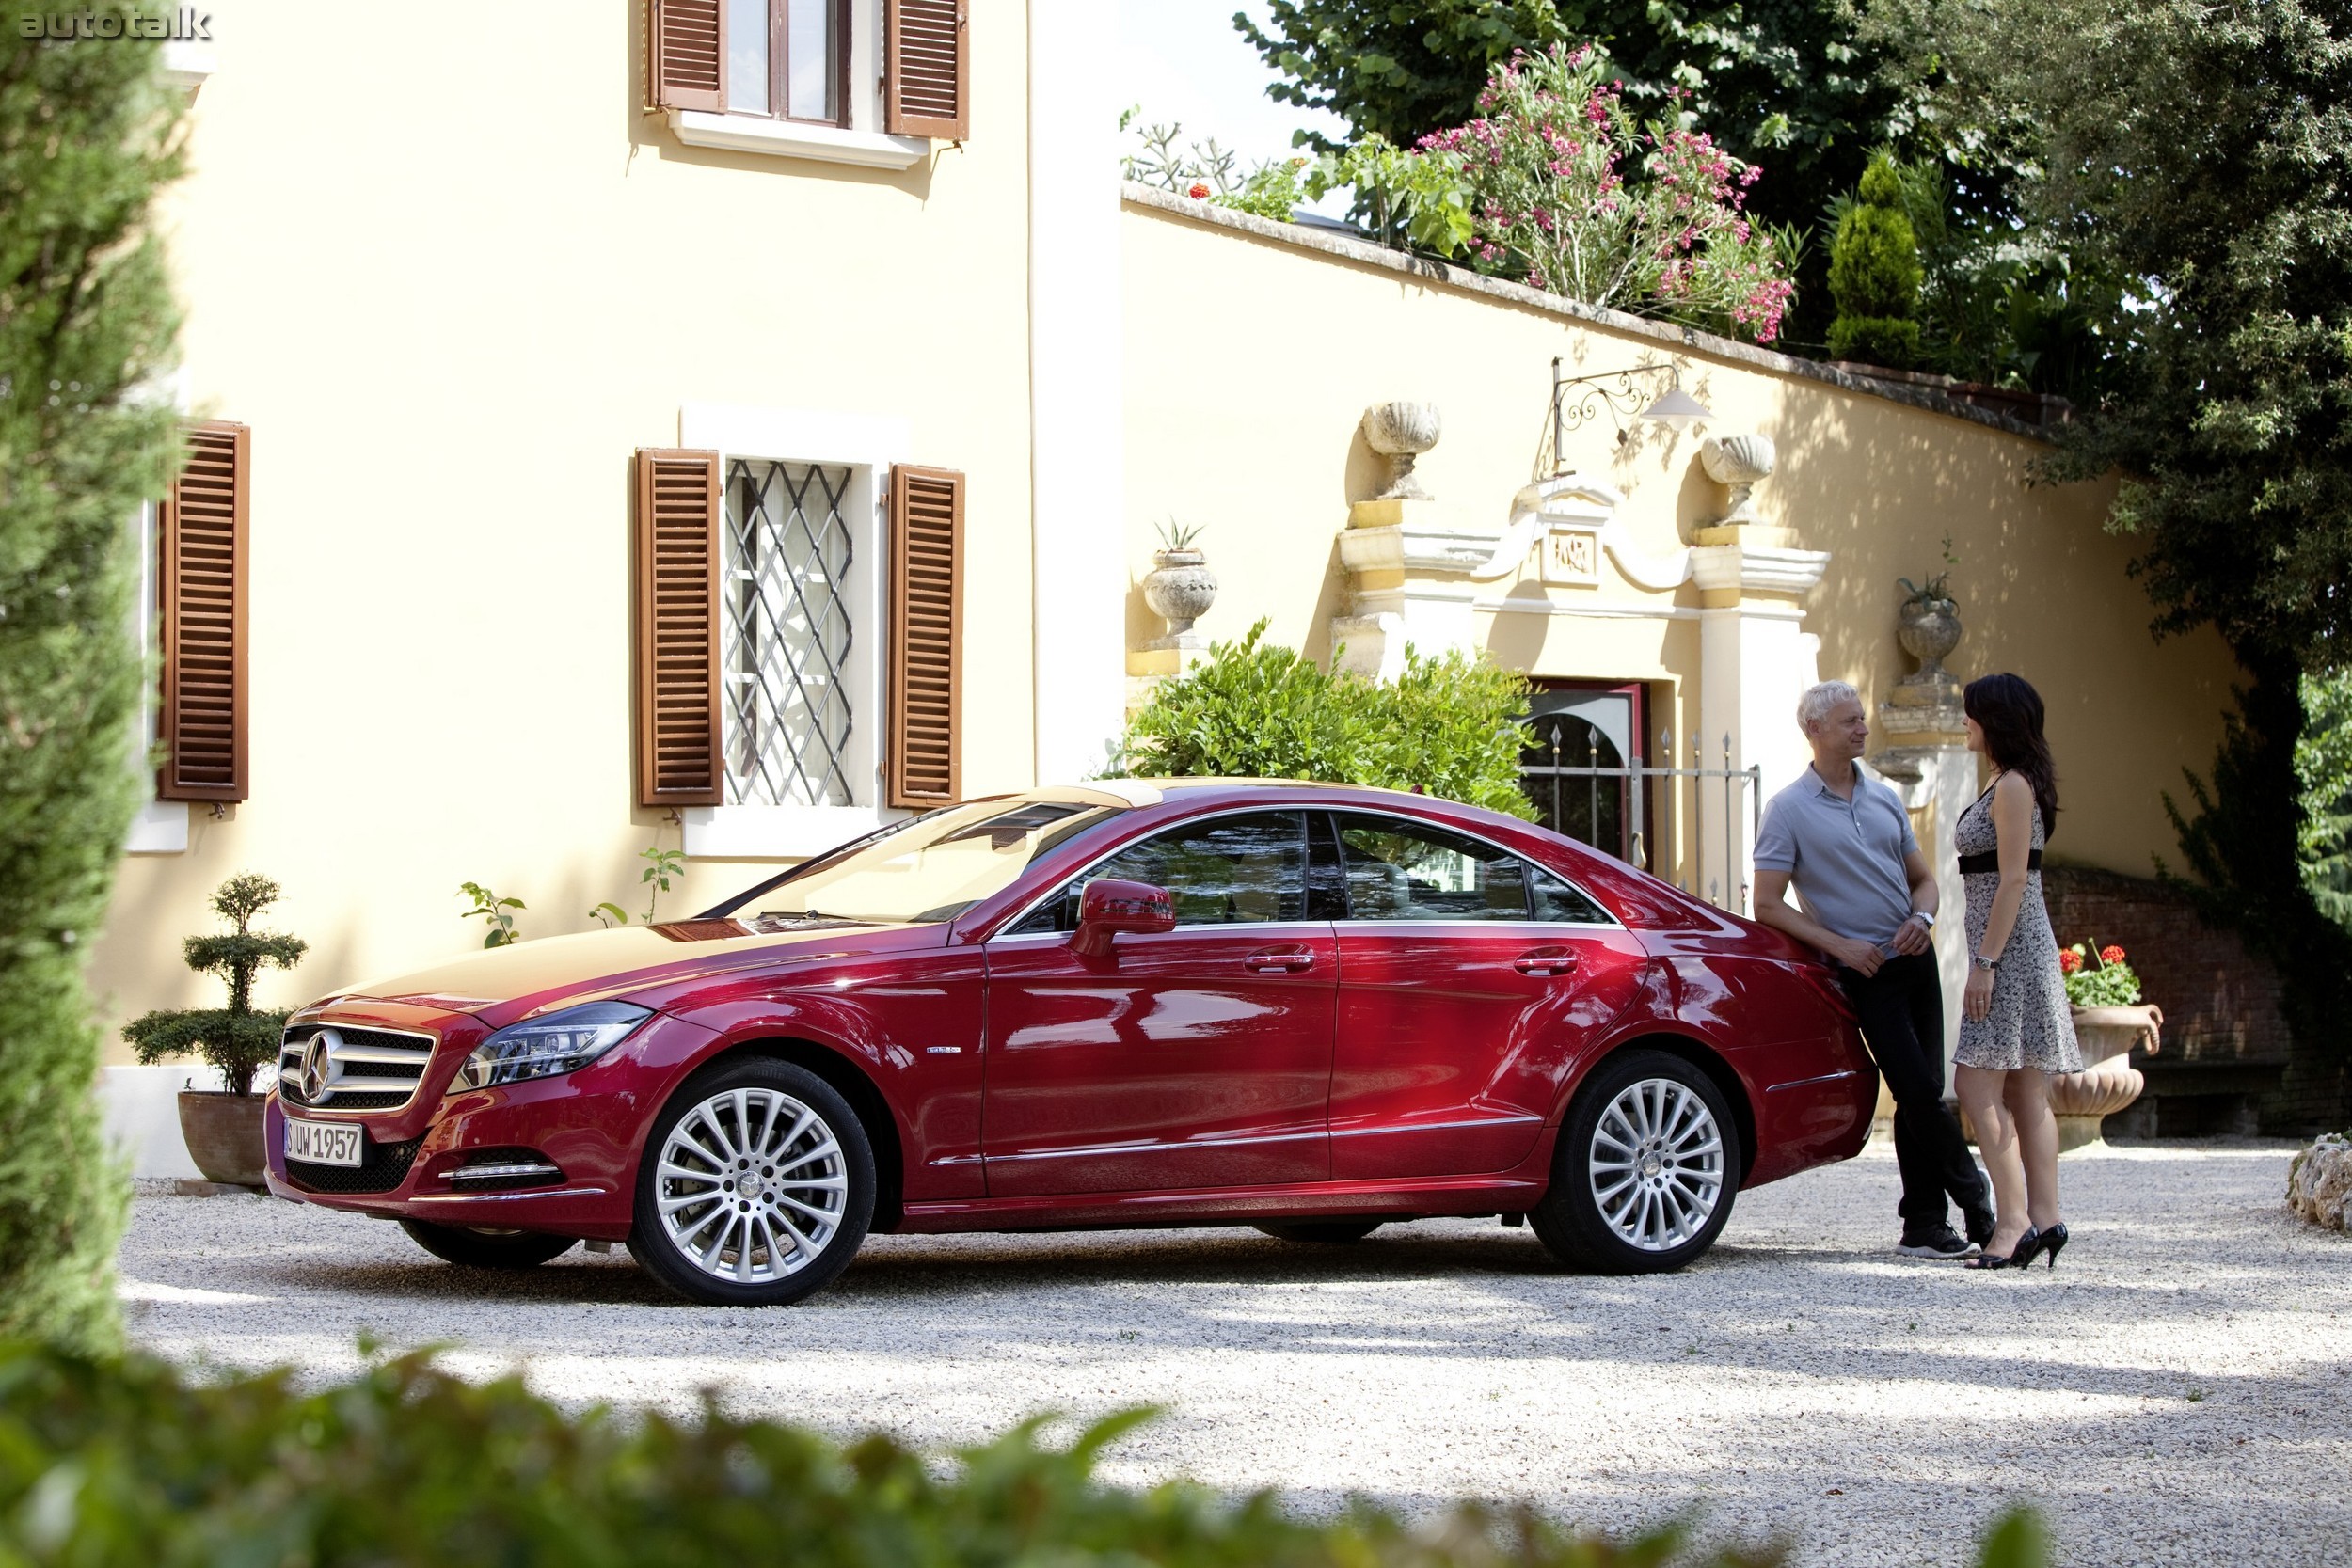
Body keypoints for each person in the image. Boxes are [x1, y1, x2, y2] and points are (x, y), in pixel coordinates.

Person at [1754, 681, 1995, 1259]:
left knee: (1922, 1094)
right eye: (1850, 721)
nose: (1863, 728)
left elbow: (1925, 882)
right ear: (1814, 730)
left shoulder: (1885, 798)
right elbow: (1765, 905)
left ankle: (1924, 1225)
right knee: (1917, 1090)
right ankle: (1980, 1203)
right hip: (1866, 971)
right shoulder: (1787, 809)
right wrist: (1841, 947)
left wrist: (1923, 917)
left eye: (1862, 718)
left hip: (1916, 960)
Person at [1950, 673, 2081, 1271]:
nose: (1965, 721)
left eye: (1972, 712)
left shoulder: (2011, 786)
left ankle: (2013, 1223)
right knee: (2027, 1086)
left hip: (2008, 954)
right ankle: (2046, 1219)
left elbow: (2012, 881)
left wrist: (1985, 964)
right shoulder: (2013, 781)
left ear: (1996, 720)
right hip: (2018, 949)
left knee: (1975, 1086)